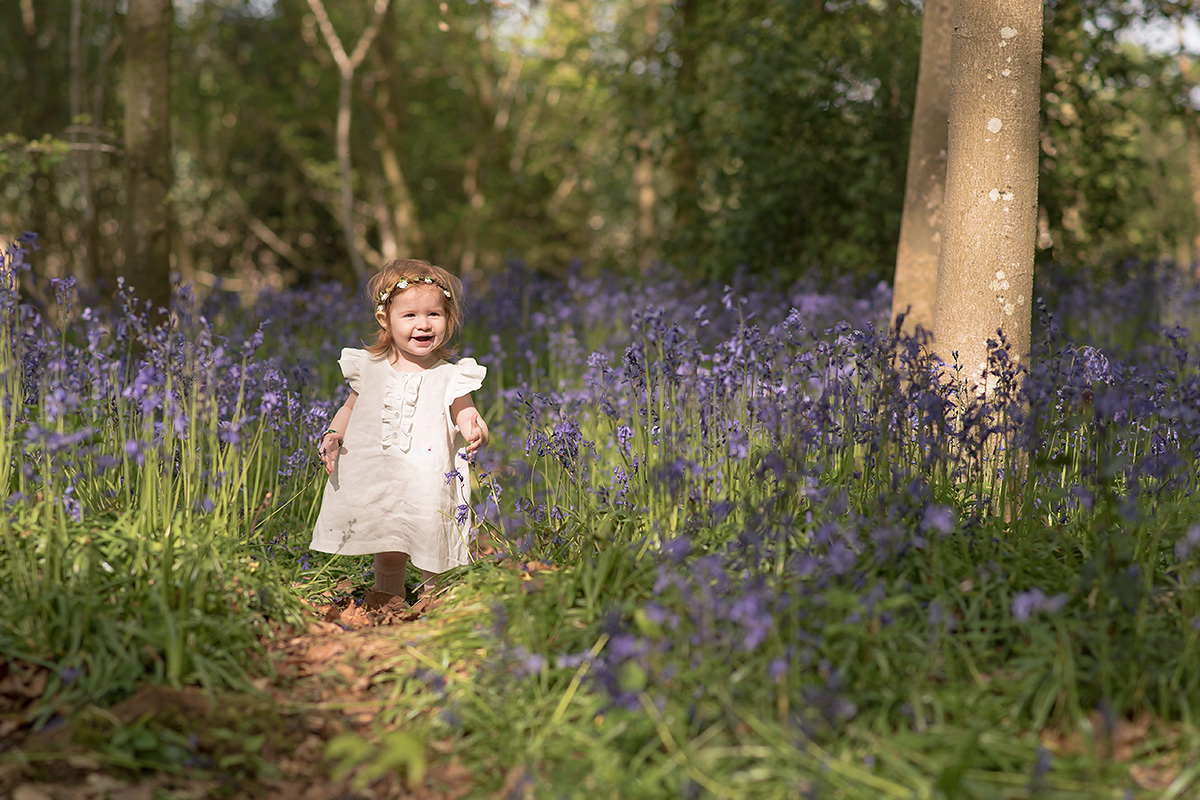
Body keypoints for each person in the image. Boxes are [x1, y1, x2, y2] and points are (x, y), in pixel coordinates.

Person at [310, 258, 489, 612]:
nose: (423, 324)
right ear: (385, 320)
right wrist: (334, 433)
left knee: (431, 544)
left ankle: (434, 606)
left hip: (429, 478)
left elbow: (463, 409)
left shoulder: (451, 375)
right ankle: (386, 604)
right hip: (381, 476)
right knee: (388, 544)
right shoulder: (369, 368)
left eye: (434, 315)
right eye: (410, 316)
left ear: (448, 319)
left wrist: (473, 425)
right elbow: (349, 408)